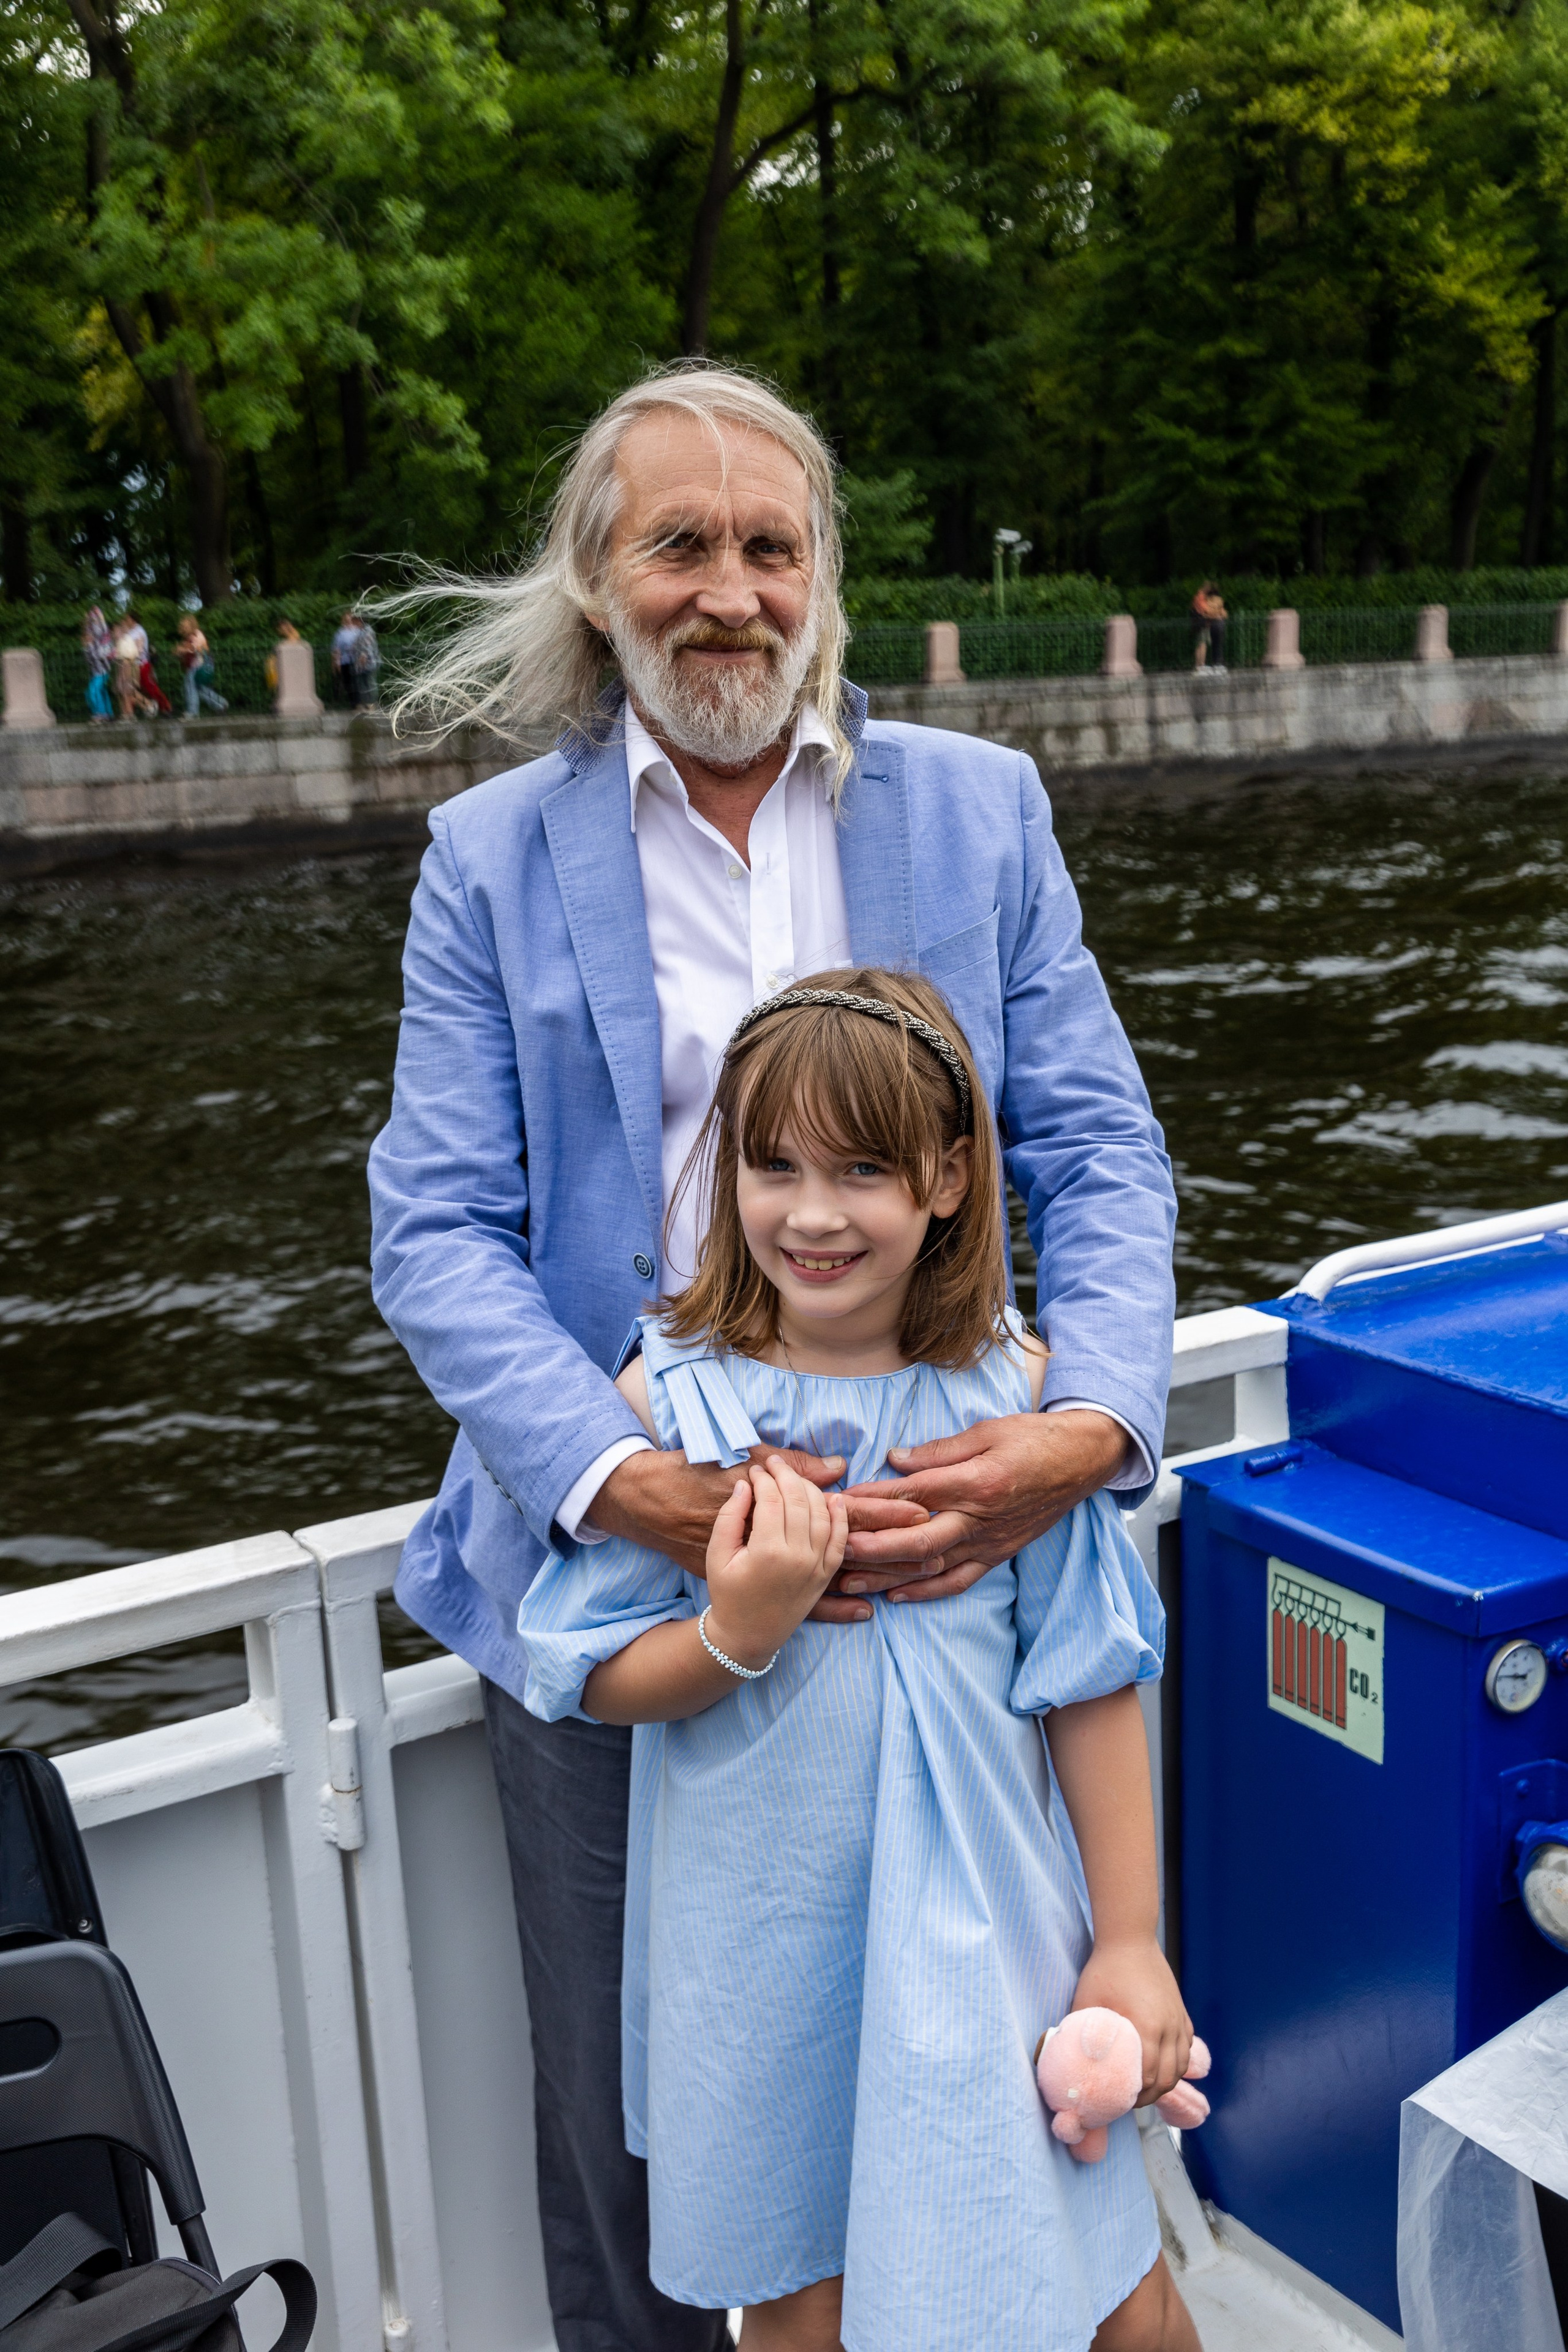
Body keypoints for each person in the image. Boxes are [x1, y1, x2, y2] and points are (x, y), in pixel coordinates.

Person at [368, 363, 1176, 2352]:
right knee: (643, 2142)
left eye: (768, 544)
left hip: (946, 1549)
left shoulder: (981, 810)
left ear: (822, 575)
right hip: (621, 1559)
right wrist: (648, 1493)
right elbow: (436, 1229)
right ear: (597, 577)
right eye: (678, 543)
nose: (725, 590)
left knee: (983, 2068)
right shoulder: (485, 856)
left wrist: (1086, 1425)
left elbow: (1094, 1144)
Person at [516, 969, 1197, 2352]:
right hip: (763, 1948)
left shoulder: (1012, 1406)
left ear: (947, 1180)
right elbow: (586, 1666)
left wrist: (1127, 1940)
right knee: (803, 2296)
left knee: (1111, 2286)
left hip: (984, 1918)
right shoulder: (669, 1403)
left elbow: (1086, 1673)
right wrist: (732, 1631)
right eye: (772, 1165)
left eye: (863, 1169)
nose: (810, 1212)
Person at [176, 614, 229, 715]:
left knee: (190, 687)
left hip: (197, 666)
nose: (184, 628)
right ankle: (221, 704)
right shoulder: (192, 636)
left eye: (186, 625)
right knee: (200, 689)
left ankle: (192, 712)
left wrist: (183, 650)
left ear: (191, 625)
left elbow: (198, 649)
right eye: (183, 626)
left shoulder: (196, 635)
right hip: (201, 665)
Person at [81, 605, 114, 722]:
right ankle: (107, 714)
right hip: (97, 672)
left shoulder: (99, 638)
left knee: (94, 690)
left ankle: (101, 714)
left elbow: (103, 629)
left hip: (102, 670)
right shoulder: (89, 644)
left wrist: (99, 616)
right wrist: (88, 620)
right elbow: (88, 629)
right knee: (97, 692)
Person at [1190, 582, 1227, 674]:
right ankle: (1200, 666)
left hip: (1206, 624)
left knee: (1203, 643)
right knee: (1202, 643)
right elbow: (1205, 611)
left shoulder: (1205, 598)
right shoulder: (1201, 598)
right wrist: (1217, 615)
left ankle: (1201, 665)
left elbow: (1222, 613)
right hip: (1203, 624)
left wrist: (1216, 614)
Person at [265, 616, 303, 698]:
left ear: (285, 627)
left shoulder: (294, 634)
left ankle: (275, 685)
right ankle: (274, 685)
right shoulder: (291, 634)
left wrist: (280, 645)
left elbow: (293, 642)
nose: (280, 631)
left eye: (281, 628)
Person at [331, 609, 363, 706]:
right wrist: (337, 662)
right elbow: (336, 649)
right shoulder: (340, 633)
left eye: (350, 619)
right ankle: (353, 703)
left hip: (357, 659)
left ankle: (360, 701)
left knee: (358, 681)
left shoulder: (358, 631)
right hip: (345, 660)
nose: (348, 621)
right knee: (348, 682)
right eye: (346, 619)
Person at [350, 611, 380, 707]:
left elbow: (366, 648)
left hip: (369, 663)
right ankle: (367, 703)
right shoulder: (362, 631)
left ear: (359, 620)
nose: (352, 623)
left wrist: (362, 660)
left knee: (369, 683)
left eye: (354, 620)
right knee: (364, 684)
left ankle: (372, 703)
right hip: (364, 663)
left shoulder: (367, 631)